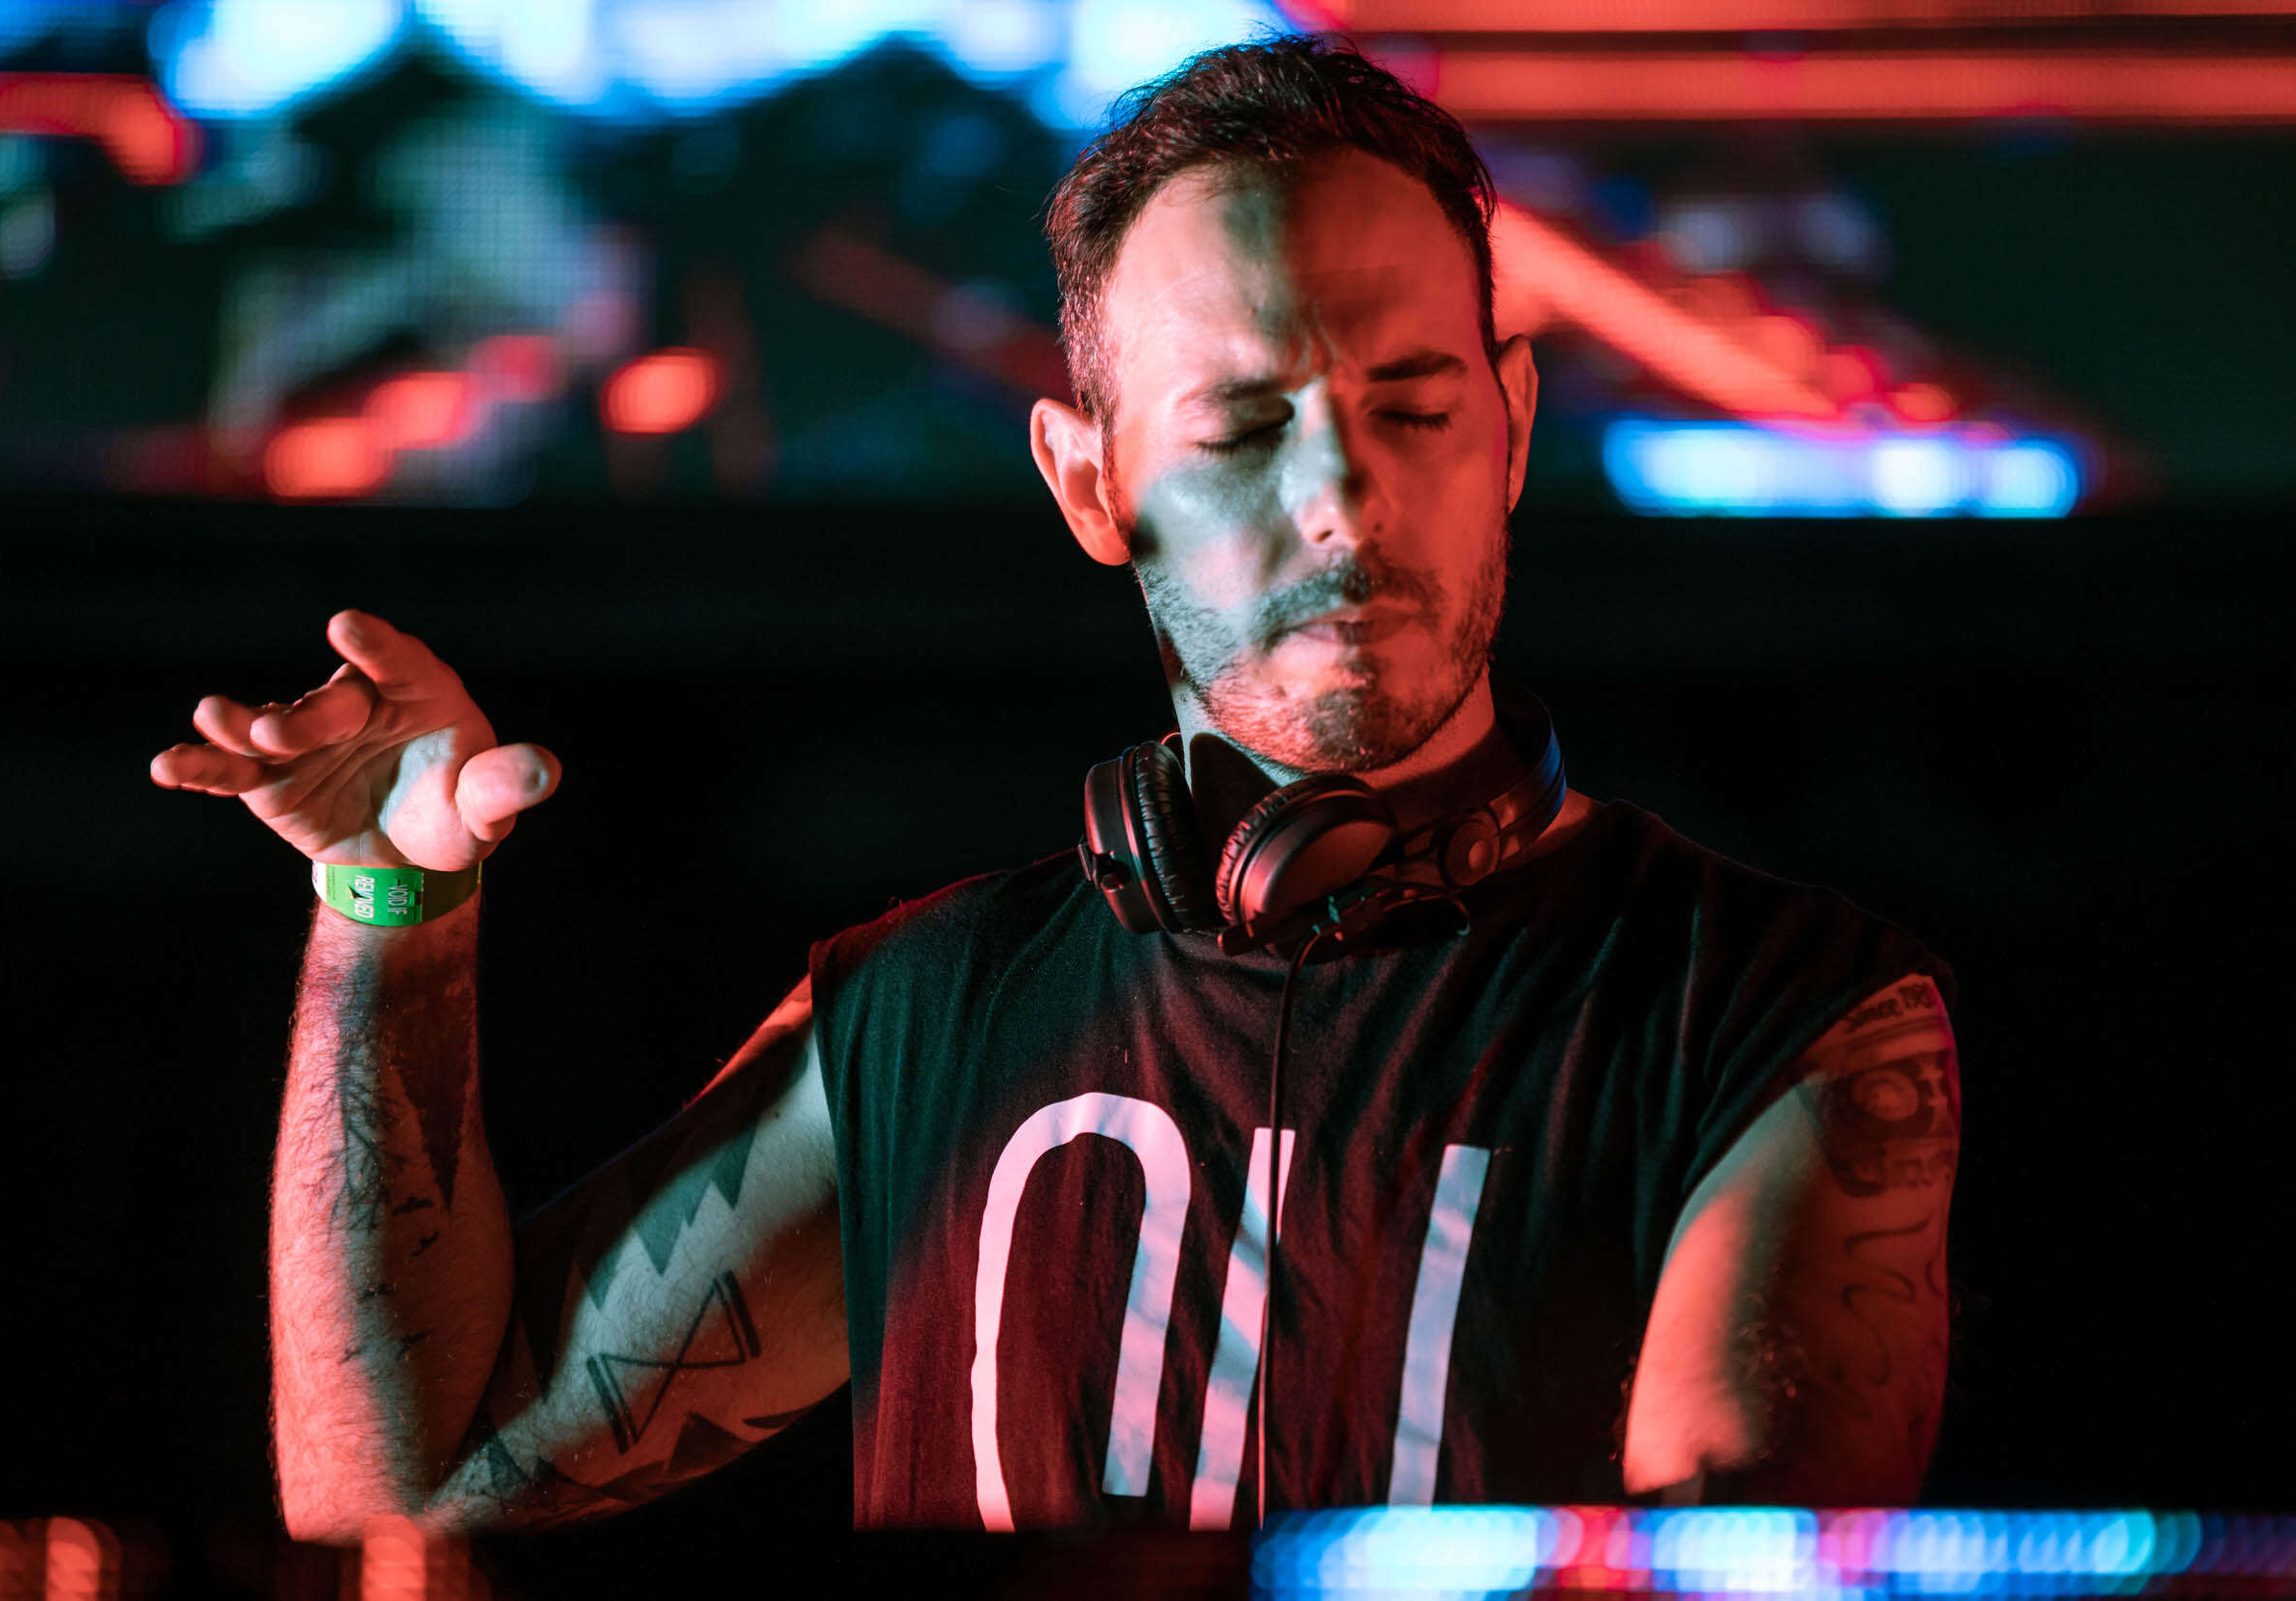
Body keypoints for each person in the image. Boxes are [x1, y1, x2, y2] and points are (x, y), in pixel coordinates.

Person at [150, 36, 1958, 1538]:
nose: (1343, 497)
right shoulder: (925, 1014)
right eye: (1242, 427)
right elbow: (400, 1500)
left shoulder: (1785, 1017)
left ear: (1514, 427)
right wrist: (390, 913)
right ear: (1090, 485)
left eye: (1415, 407)